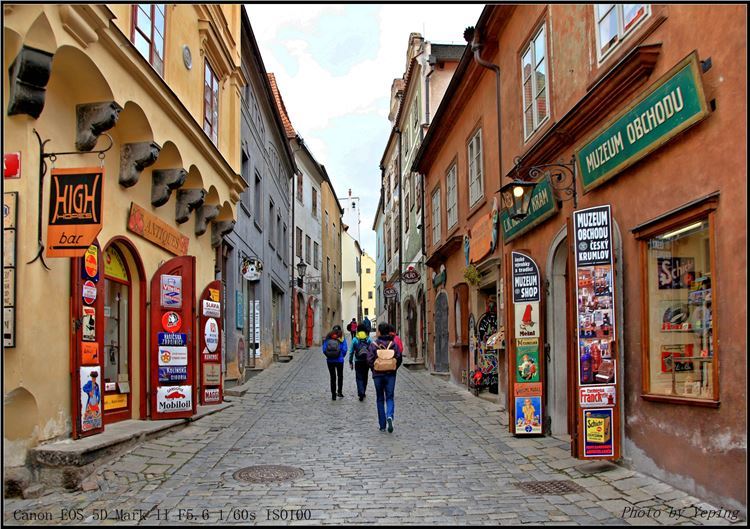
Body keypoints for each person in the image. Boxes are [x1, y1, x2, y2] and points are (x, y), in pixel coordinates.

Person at [367, 322, 402, 433]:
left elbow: (369, 359)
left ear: (379, 331)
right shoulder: (393, 344)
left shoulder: (374, 345)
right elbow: (399, 357)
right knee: (390, 397)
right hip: (390, 374)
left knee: (380, 398)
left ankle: (382, 425)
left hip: (378, 375)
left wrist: (374, 368)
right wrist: (394, 368)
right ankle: (390, 416)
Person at [322, 325, 348, 400]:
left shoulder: (328, 338)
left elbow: (324, 349)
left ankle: (333, 394)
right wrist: (341, 356)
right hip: (339, 360)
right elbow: (345, 349)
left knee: (332, 377)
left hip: (330, 361)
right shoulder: (341, 338)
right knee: (340, 376)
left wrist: (328, 355)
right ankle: (339, 391)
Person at [348, 323, 371, 401]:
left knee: (359, 377)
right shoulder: (368, 339)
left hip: (358, 361)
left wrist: (350, 361)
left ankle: (360, 392)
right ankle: (363, 391)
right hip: (366, 361)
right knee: (365, 376)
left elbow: (351, 351)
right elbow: (372, 351)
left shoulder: (355, 339)